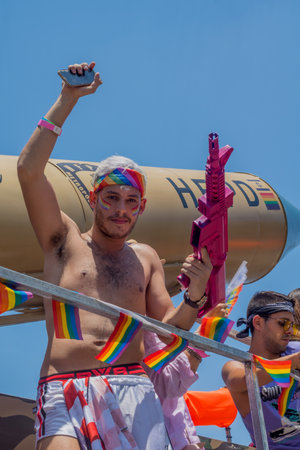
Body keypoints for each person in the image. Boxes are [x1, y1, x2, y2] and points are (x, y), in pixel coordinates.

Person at [17, 61, 213, 450]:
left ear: (140, 207)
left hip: (133, 388)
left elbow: (170, 330)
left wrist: (195, 294)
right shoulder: (64, 240)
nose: (120, 209)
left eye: (130, 201)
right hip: (64, 387)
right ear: (94, 199)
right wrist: (67, 98)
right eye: (111, 198)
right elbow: (29, 172)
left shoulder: (146, 257)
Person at [222, 291, 300, 449]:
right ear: (258, 323)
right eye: (283, 323)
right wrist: (295, 361)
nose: (290, 331)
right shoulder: (235, 367)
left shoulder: (295, 350)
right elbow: (243, 381)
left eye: (292, 325)